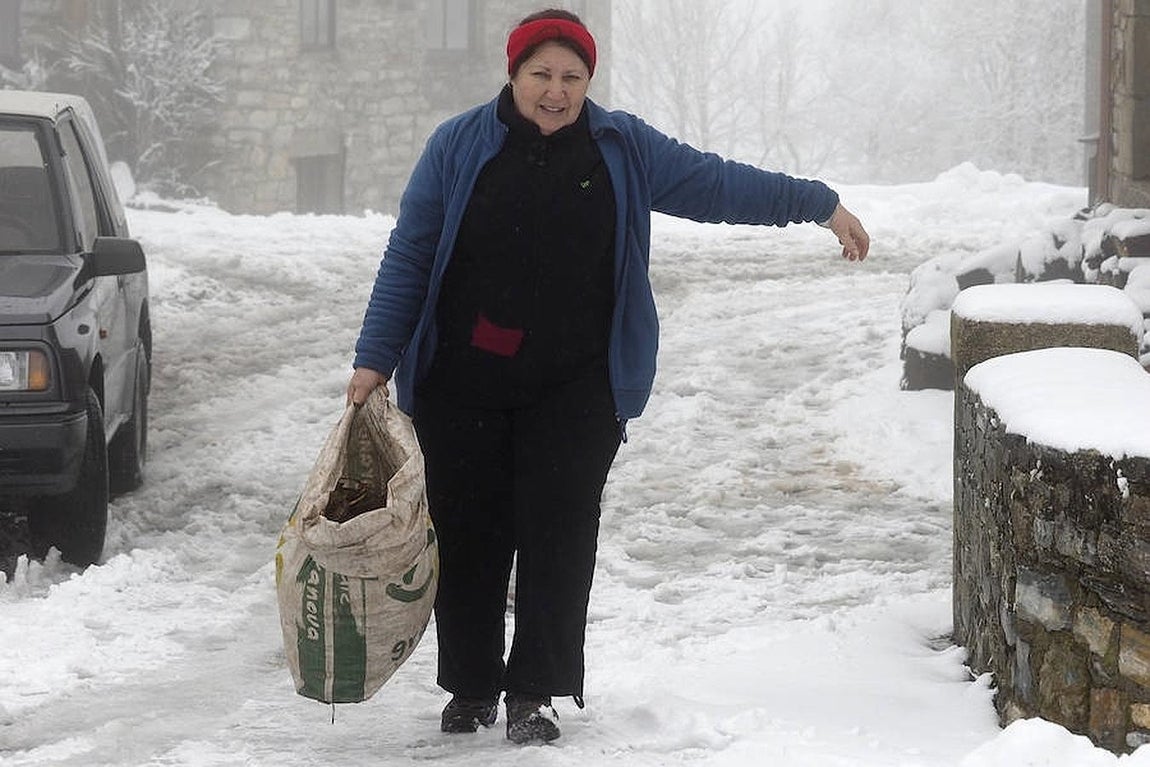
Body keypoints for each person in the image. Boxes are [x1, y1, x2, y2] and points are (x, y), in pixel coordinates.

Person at [346, 8, 869, 745]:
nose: (556, 92)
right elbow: (410, 253)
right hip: (463, 382)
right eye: (542, 75)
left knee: (560, 531)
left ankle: (533, 690)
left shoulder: (620, 145)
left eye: (572, 77)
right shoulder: (459, 145)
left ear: (589, 81)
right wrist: (375, 358)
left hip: (578, 384)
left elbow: (718, 186)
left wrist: (816, 203)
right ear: (514, 74)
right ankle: (470, 685)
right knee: (468, 532)